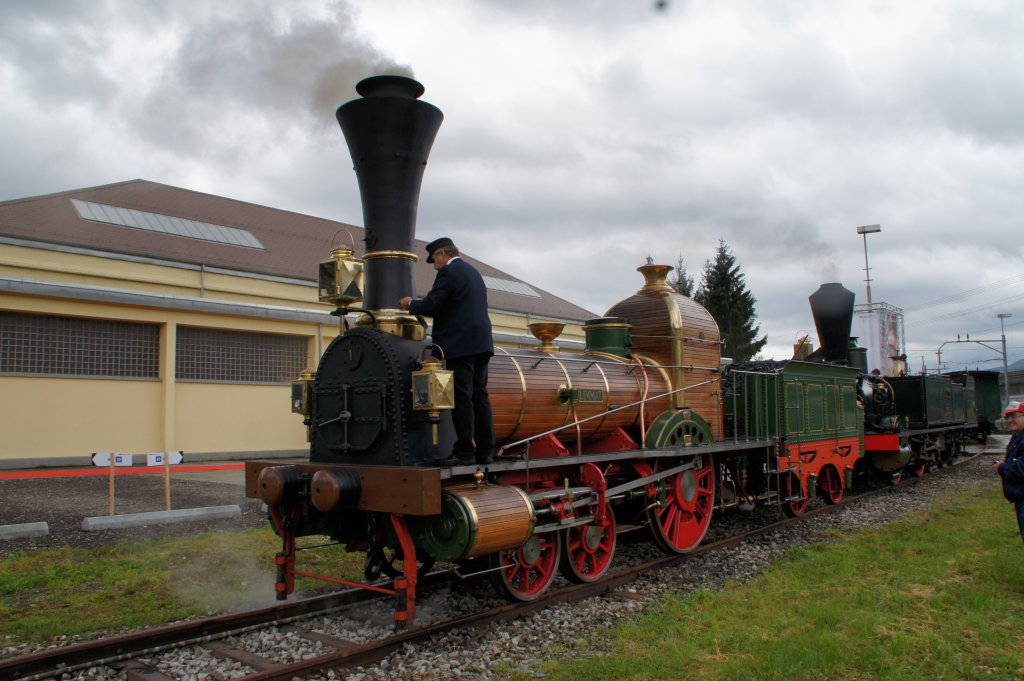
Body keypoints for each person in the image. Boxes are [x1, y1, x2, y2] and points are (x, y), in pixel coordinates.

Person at [399, 237, 495, 465]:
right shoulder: (473, 273)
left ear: (442, 254)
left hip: (461, 345)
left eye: (434, 260)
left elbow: (433, 305)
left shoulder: (449, 273)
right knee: (480, 396)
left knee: (462, 398)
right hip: (481, 343)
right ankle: (485, 451)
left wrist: (410, 304)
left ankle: (464, 451)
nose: (435, 265)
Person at [993, 401, 1024, 544]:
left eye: (1014, 416)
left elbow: (1021, 469)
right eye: (1008, 417)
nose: (1010, 420)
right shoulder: (1017, 436)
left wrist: (1001, 467)